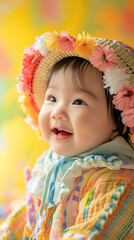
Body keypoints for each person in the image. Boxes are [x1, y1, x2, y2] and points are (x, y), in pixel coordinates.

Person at [0, 30, 134, 240]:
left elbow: (93, 232)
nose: (57, 111)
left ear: (118, 125)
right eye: (52, 97)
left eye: (78, 101)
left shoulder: (115, 181)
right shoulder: (51, 166)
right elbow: (29, 216)